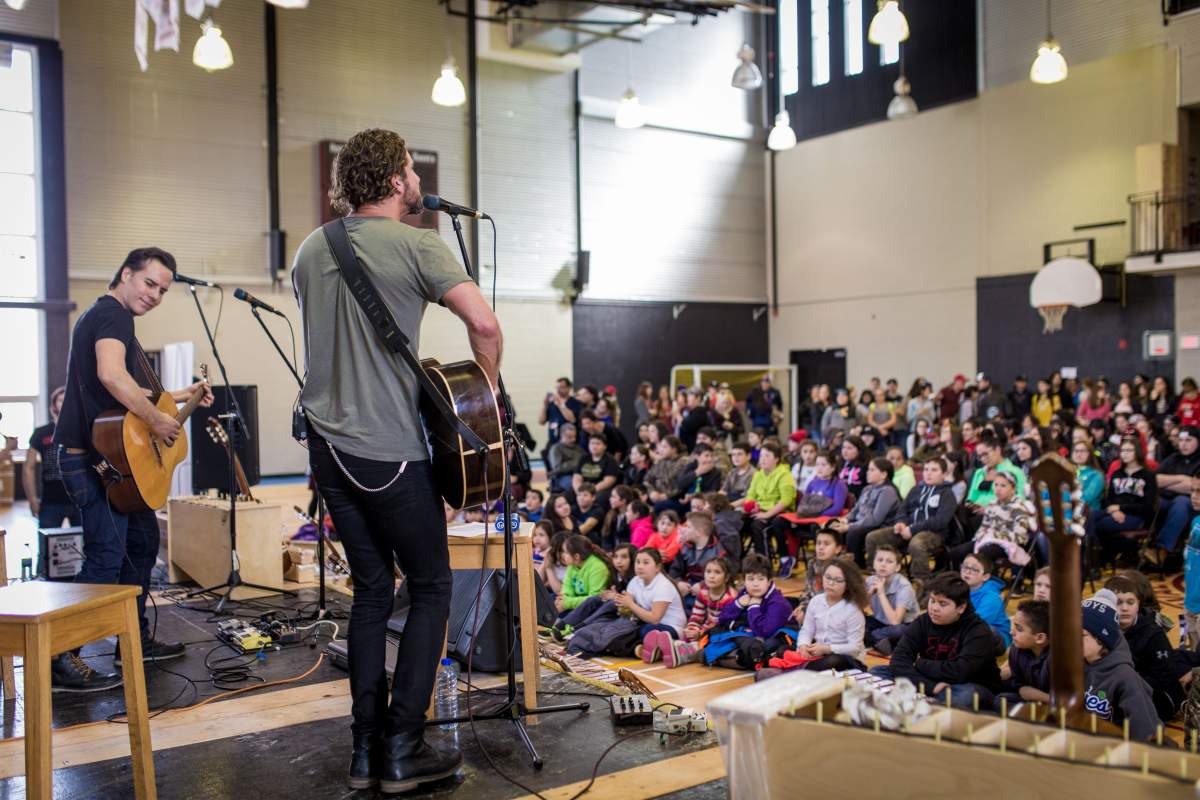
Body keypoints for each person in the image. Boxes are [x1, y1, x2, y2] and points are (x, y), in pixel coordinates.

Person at [294, 129, 503, 791]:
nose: (416, 180)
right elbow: (486, 325)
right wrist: (485, 394)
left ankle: (365, 755)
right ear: (393, 180)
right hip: (389, 450)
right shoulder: (419, 243)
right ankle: (404, 751)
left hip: (327, 450)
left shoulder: (310, 249)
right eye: (411, 169)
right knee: (432, 586)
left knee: (371, 594)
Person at [54, 247, 213, 693]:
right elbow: (111, 375)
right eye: (149, 283)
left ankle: (133, 640)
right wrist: (158, 419)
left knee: (142, 543)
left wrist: (182, 396)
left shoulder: (106, 318)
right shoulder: (113, 316)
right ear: (126, 274)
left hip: (106, 460)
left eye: (163, 289)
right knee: (106, 556)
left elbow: (127, 383)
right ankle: (58, 657)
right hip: (90, 460)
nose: (156, 294)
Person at [873, 572, 1001, 709]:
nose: (934, 608)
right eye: (932, 600)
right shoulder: (923, 621)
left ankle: (923, 702)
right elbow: (898, 660)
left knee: (963, 696)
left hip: (967, 684)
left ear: (961, 607)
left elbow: (961, 672)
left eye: (942, 604)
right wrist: (930, 687)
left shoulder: (978, 630)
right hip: (932, 679)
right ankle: (928, 699)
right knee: (878, 672)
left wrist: (920, 664)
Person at [1106, 574, 1187, 723]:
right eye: (1119, 603)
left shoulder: (1153, 633)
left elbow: (1164, 674)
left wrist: (1125, 686)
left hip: (1157, 694)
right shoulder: (1103, 627)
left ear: (1138, 603)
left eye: (1130, 602)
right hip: (1118, 688)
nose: (1124, 608)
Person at [1081, 589, 1159, 741]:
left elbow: (1147, 734)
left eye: (1082, 635)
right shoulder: (1072, 665)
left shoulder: (1126, 679)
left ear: (1101, 640)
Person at [863, 457, 958, 580]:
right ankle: (875, 574)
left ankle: (921, 581)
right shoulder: (916, 490)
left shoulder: (947, 494)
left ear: (944, 474)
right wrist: (900, 523)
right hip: (907, 529)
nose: (928, 473)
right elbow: (902, 510)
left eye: (934, 470)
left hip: (934, 533)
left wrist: (912, 529)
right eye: (926, 469)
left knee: (917, 543)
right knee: (873, 537)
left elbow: (940, 520)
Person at [707, 554, 793, 669]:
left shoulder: (778, 603)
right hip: (750, 636)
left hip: (771, 639)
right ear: (744, 580)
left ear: (769, 581)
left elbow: (764, 631)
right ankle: (729, 657)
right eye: (750, 579)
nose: (755, 584)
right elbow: (722, 618)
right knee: (717, 632)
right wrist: (738, 604)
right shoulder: (745, 593)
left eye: (761, 579)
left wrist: (754, 606)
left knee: (764, 645)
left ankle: (719, 657)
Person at [788, 560, 868, 671]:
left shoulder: (853, 610)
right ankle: (800, 671)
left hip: (847, 659)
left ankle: (800, 673)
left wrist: (828, 649)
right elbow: (807, 630)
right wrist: (803, 645)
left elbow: (854, 648)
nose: (831, 583)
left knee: (834, 660)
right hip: (820, 654)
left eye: (838, 580)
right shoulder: (816, 601)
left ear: (848, 585)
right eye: (828, 577)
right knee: (784, 649)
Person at [734, 440, 797, 571]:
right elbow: (750, 495)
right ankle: (738, 561)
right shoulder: (758, 474)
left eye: (767, 456)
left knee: (758, 525)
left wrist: (766, 514)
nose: (763, 459)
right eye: (761, 455)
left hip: (780, 512)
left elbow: (786, 501)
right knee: (737, 522)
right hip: (760, 510)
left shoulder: (785, 475)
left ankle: (764, 566)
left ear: (776, 459)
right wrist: (752, 506)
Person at [23, 386, 79, 530]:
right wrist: (32, 499)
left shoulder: (81, 430)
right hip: (51, 501)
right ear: (53, 406)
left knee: (88, 546)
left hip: (79, 498)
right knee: (46, 548)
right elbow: (28, 468)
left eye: (67, 399)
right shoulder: (41, 433)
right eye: (60, 400)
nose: (64, 402)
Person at [668, 557, 738, 667]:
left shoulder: (730, 597)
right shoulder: (703, 593)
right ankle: (677, 650)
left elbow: (722, 625)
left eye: (717, 572)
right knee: (686, 634)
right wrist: (692, 629)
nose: (711, 576)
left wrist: (700, 633)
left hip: (722, 632)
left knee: (708, 642)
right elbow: (696, 617)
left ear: (726, 577)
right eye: (708, 571)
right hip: (706, 630)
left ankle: (683, 652)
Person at [623, 548, 690, 663]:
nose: (639, 566)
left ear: (658, 567)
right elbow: (627, 602)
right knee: (625, 626)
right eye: (637, 562)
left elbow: (654, 619)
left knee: (645, 630)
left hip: (671, 627)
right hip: (649, 622)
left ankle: (674, 645)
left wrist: (631, 605)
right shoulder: (635, 580)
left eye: (646, 562)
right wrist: (619, 601)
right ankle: (656, 650)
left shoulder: (663, 585)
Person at [1094, 437, 1157, 558]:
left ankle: (1097, 558)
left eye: (1129, 450)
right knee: (1087, 517)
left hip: (1136, 517)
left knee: (1095, 524)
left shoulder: (1148, 475)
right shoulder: (1117, 474)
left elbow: (1147, 506)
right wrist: (1114, 511)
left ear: (1137, 451)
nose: (1125, 453)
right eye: (1122, 450)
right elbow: (1108, 499)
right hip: (1113, 513)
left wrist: (1121, 508)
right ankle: (1097, 557)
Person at [1146, 425, 1199, 564]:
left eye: (1188, 440)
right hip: (1167, 501)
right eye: (1181, 440)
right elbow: (1154, 480)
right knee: (1152, 501)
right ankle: (1143, 544)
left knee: (1181, 502)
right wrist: (1181, 478)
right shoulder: (1173, 458)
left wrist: (1168, 483)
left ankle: (1162, 549)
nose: (1183, 444)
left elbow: (1193, 486)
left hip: (1193, 504)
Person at [835, 456, 901, 566]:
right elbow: (855, 510)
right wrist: (845, 520)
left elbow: (876, 519)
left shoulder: (888, 491)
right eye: (868, 469)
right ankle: (840, 562)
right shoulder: (867, 488)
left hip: (881, 527)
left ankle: (857, 565)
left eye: (872, 470)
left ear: (884, 474)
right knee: (835, 527)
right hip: (862, 523)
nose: (867, 472)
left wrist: (850, 526)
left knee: (852, 533)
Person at [864, 544, 919, 655]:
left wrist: (881, 593)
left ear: (897, 567)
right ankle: (880, 642)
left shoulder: (904, 586)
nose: (883, 564)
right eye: (880, 560)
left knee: (901, 631)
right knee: (857, 618)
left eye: (889, 561)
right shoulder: (870, 580)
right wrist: (869, 593)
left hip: (903, 626)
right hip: (881, 625)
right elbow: (857, 609)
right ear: (874, 563)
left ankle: (869, 640)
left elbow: (895, 622)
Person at [995, 599, 1051, 708]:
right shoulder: (1016, 649)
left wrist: (1039, 696)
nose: (1011, 632)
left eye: (1019, 628)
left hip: (1055, 705)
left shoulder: (1058, 659)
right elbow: (1018, 684)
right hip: (1029, 700)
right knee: (1000, 700)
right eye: (1014, 625)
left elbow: (1069, 700)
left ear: (1040, 638)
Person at [554, 535, 617, 621]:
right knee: (550, 600)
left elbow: (594, 599)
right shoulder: (572, 565)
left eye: (565, 552)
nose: (562, 555)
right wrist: (564, 599)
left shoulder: (598, 567)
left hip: (593, 608)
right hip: (576, 602)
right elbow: (567, 587)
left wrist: (567, 603)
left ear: (576, 556)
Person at [668, 512, 727, 601]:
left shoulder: (718, 551)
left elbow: (722, 576)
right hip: (688, 586)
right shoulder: (685, 547)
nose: (684, 529)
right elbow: (675, 569)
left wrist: (702, 585)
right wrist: (678, 582)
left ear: (699, 532)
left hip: (710, 588)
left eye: (688, 527)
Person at [959, 552, 1011, 649]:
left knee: (977, 629)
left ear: (985, 576)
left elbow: (979, 622)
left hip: (998, 637)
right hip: (970, 628)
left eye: (974, 569)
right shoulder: (960, 587)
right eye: (965, 567)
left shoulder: (992, 597)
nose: (967, 571)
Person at [539, 377, 582, 454]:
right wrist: (545, 405)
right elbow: (541, 421)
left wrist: (560, 404)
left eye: (561, 387)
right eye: (557, 387)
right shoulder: (552, 404)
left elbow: (571, 419)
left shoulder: (576, 403)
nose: (558, 390)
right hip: (553, 441)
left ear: (569, 388)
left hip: (569, 443)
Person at [547, 423, 584, 492]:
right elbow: (557, 468)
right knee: (575, 486)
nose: (573, 439)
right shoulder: (556, 449)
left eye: (574, 437)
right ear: (561, 435)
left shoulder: (577, 448)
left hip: (579, 474)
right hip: (562, 476)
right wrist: (576, 463)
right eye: (569, 437)